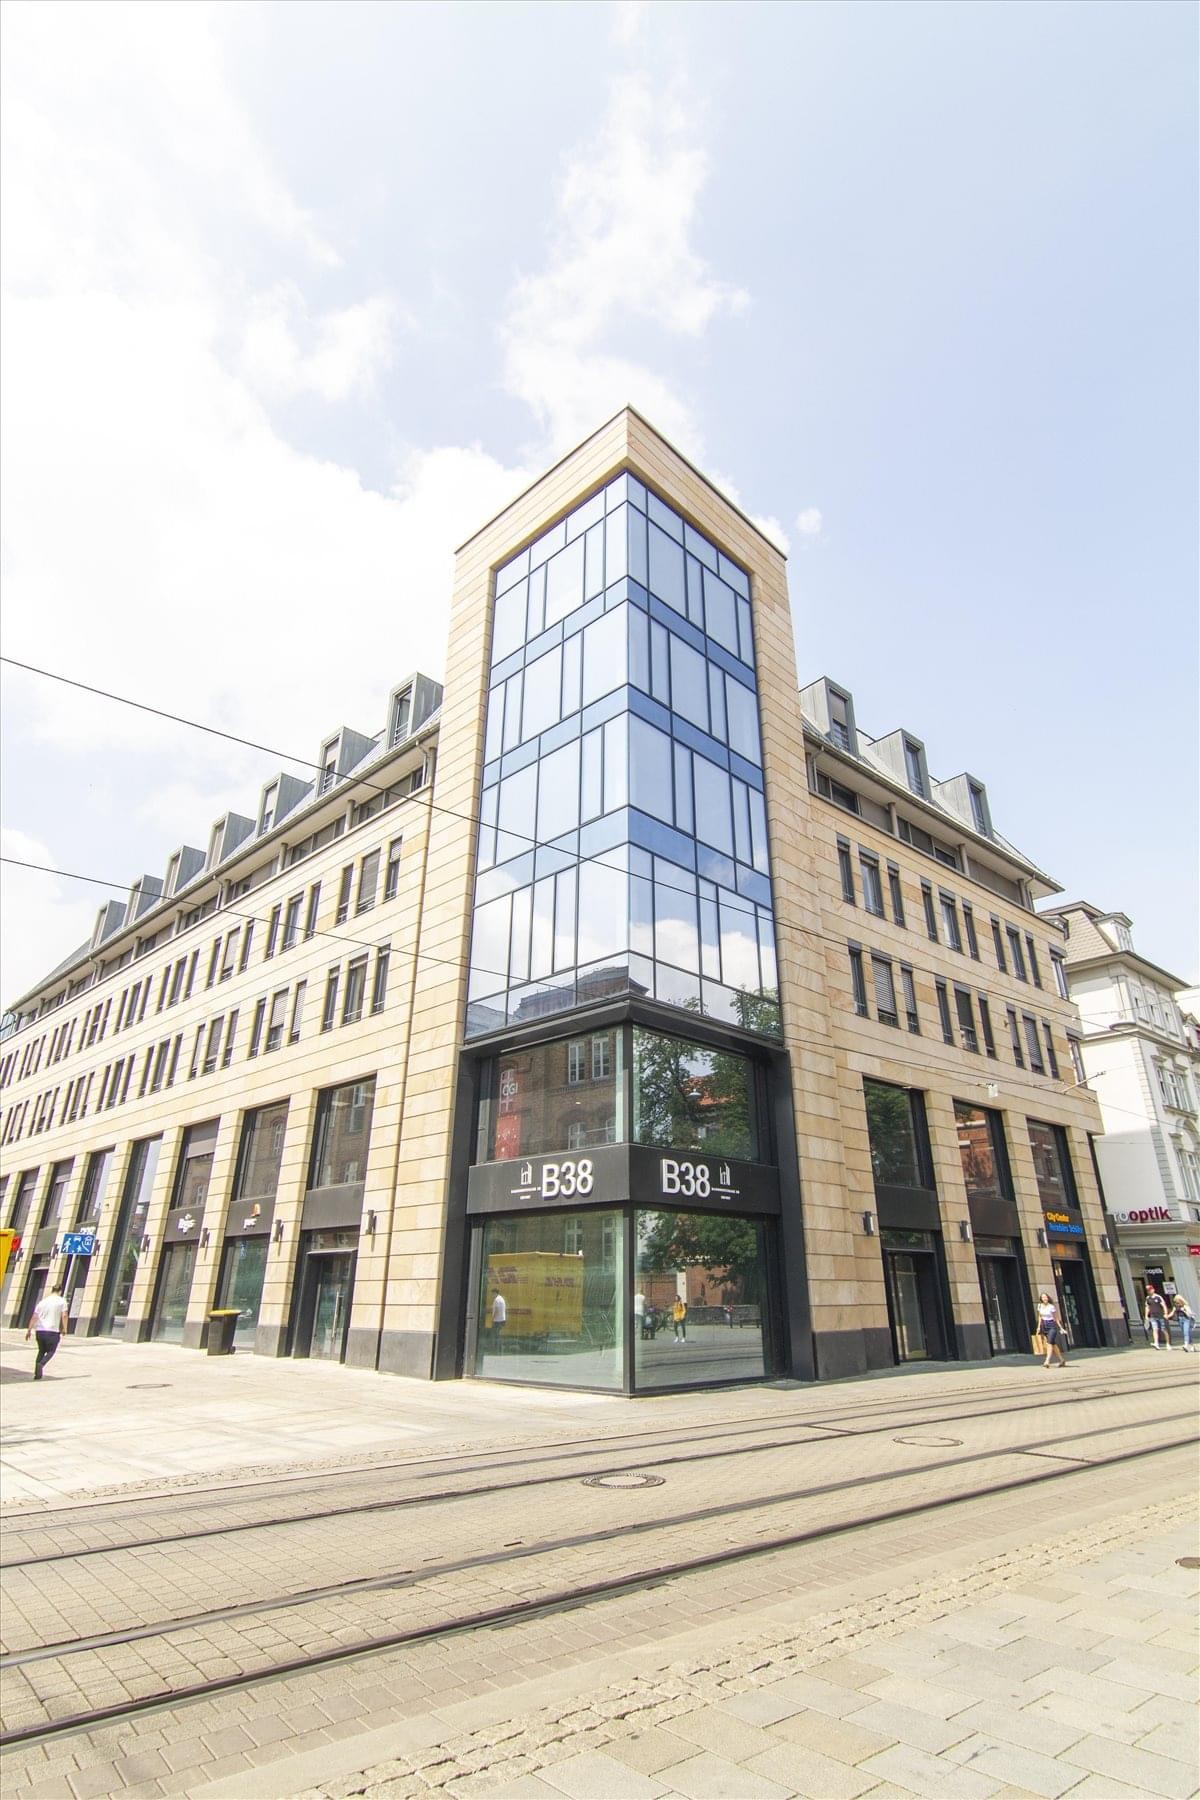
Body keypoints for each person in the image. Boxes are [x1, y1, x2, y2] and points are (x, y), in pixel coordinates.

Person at [26, 1284, 70, 1380]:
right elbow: (64, 1315)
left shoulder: (42, 1302)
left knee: (41, 1350)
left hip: (40, 1330)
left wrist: (29, 1330)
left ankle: (37, 1373)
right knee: (51, 1350)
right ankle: (41, 1364)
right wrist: (65, 1329)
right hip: (52, 1331)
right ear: (60, 1291)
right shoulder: (62, 1301)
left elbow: (34, 1316)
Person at [1035, 1291, 1067, 1368]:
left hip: (1051, 1325)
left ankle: (1047, 1361)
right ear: (1041, 1299)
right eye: (1042, 1297)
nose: (1044, 1298)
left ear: (1048, 1298)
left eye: (1045, 1297)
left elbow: (1055, 1318)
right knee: (1053, 1344)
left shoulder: (1051, 1306)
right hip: (1044, 1325)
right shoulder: (1039, 1306)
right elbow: (1039, 1317)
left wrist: (1061, 1327)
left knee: (1049, 1343)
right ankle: (1061, 1360)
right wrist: (1038, 1327)